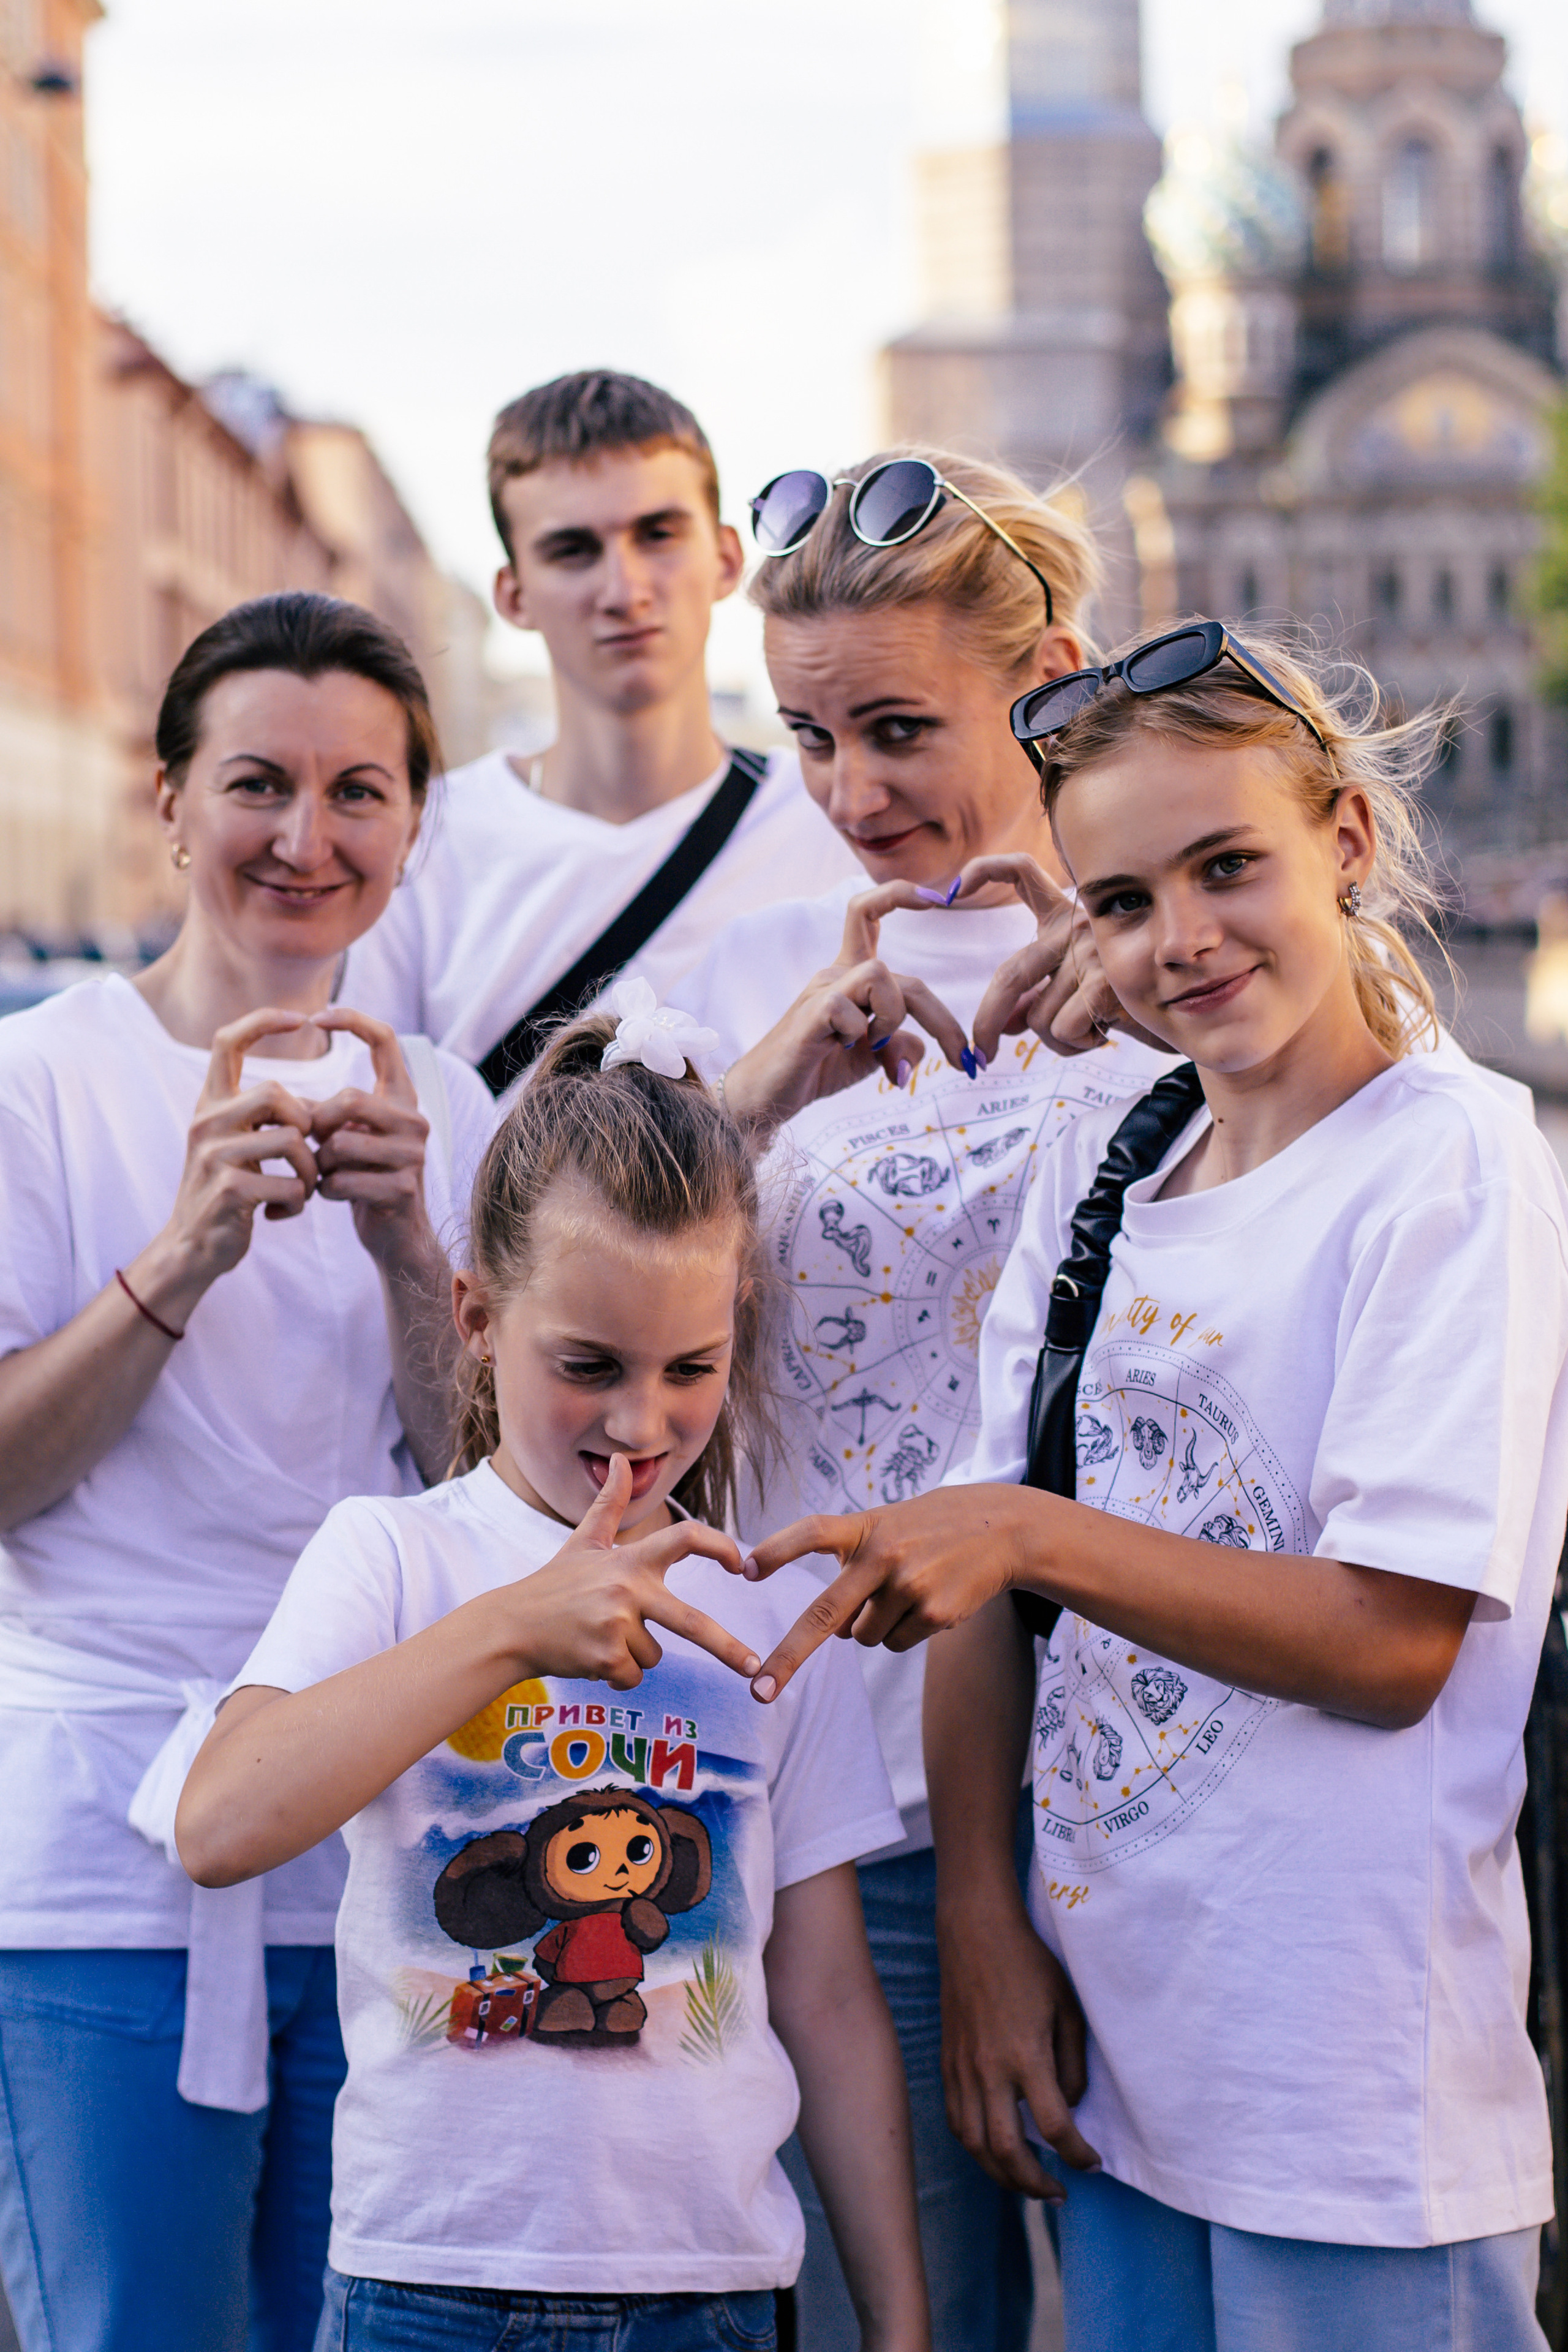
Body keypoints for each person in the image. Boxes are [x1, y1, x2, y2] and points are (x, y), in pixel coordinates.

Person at [740, 623, 1568, 2352]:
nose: (1179, 941)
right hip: (1120, 2070)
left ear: (1343, 838)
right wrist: (981, 1922)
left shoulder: (1454, 1156)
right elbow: (985, 1600)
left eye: (1226, 868)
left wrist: (1032, 1533)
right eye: (1118, 900)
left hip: (1348, 2097)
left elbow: (1394, 1638)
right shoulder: (1112, 1165)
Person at [175, 1006, 930, 2352]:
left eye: (689, 1369)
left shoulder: (763, 1612)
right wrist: (518, 1626)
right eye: (585, 1367)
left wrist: (901, 2322)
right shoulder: (394, 1557)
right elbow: (220, 1824)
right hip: (426, 2286)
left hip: (704, 2295)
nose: (640, 1426)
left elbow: (825, 1995)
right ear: (475, 1318)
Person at [668, 449, 1176, 2349]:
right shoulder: (737, 973)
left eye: (896, 727)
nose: (849, 793)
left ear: (1046, 673)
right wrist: (756, 1091)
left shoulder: (1193, 944)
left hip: (1159, 1778)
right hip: (852, 1789)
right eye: (805, 735)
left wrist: (1155, 1007)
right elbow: (563, 1309)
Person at [0, 594, 497, 2352]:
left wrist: (403, 1248)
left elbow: (492, 1497)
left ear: (414, 828)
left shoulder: (451, 1103)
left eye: (360, 792)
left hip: (382, 1850)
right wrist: (186, 1252)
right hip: (100, 1863)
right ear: (169, 803)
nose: (308, 839)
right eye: (257, 785)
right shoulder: (39, 1080)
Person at [344, 370, 859, 1087]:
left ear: (727, 559)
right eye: (573, 551)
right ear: (513, 594)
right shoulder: (425, 846)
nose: (623, 590)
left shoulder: (841, 820)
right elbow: (383, 1141)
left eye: (658, 535)